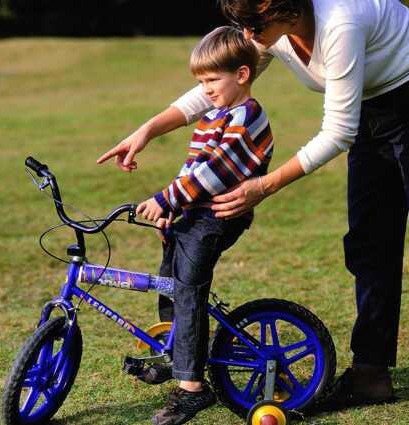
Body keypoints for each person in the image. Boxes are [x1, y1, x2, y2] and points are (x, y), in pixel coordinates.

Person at [97, 0, 409, 419]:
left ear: (286, 9)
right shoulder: (267, 31)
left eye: (251, 22)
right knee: (369, 244)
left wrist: (263, 185)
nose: (244, 31)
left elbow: (336, 133)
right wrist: (148, 129)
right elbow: (215, 85)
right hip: (369, 107)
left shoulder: (340, 24)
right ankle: (371, 373)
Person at [129, 26, 274, 425]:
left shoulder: (249, 117)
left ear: (241, 74)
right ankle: (176, 355)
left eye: (212, 80)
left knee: (188, 287)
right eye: (201, 82)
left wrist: (165, 199)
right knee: (168, 279)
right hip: (197, 212)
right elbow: (192, 167)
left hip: (219, 216)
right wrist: (173, 210)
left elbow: (215, 173)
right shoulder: (214, 116)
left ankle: (192, 388)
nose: (205, 89)